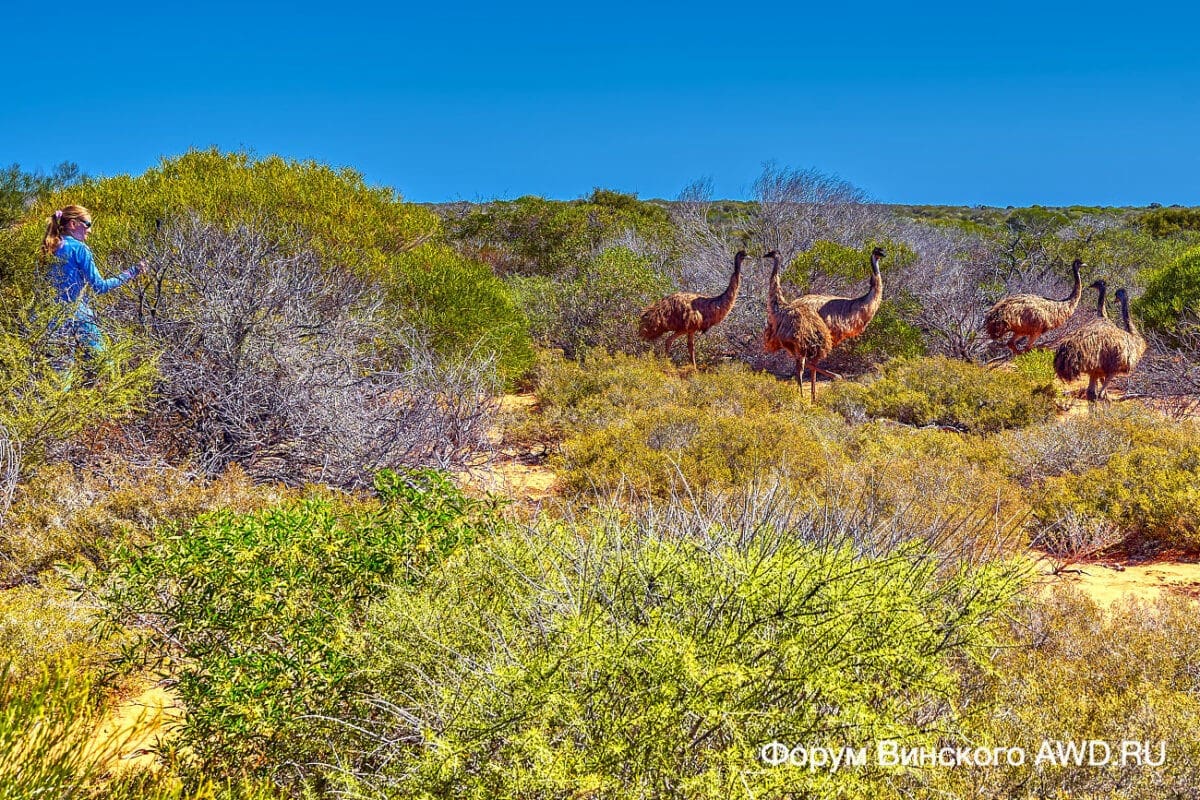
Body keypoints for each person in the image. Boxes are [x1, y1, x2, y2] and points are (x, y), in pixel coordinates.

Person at [41, 204, 145, 356]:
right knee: (104, 365)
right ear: (73, 224)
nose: (90, 230)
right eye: (87, 225)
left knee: (61, 374)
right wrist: (132, 272)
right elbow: (100, 286)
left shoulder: (49, 247)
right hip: (78, 315)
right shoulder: (80, 249)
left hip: (51, 318)